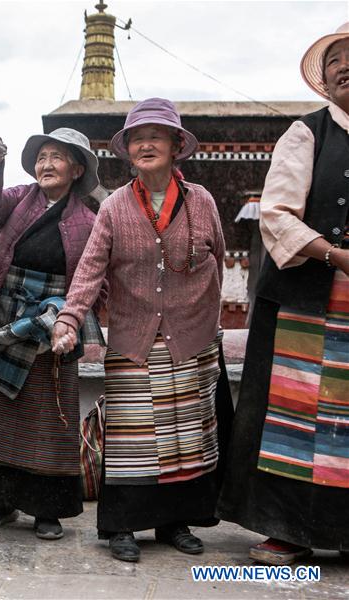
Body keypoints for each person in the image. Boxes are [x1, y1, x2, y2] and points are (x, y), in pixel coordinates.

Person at [52, 98, 231, 563]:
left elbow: (218, 262)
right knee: (134, 438)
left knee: (183, 435)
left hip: (190, 337)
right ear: (127, 149)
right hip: (133, 338)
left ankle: (176, 521)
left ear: (176, 147)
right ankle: (122, 526)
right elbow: (90, 271)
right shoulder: (113, 206)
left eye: (156, 136)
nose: (145, 144)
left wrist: (209, 326)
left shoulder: (202, 202)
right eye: (136, 137)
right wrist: (70, 320)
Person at [216, 23, 349, 565]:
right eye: (336, 59)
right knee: (295, 414)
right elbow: (276, 215)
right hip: (308, 297)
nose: (345, 65)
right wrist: (335, 255)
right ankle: (288, 527)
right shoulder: (308, 133)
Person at [0, 130, 104, 540]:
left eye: (56, 158)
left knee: (48, 417)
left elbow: (93, 277)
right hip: (0, 311)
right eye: (42, 157)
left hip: (51, 321)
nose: (46, 165)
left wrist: (67, 317)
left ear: (76, 170)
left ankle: (47, 508)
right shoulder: (20, 198)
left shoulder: (89, 221)